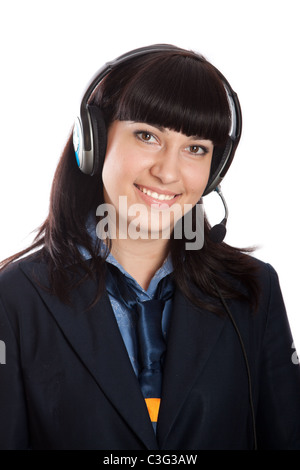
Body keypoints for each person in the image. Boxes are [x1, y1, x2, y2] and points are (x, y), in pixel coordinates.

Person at [0, 44, 299, 451]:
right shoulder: (16, 298)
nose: (168, 172)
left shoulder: (253, 291)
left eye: (196, 148)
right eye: (147, 136)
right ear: (93, 141)